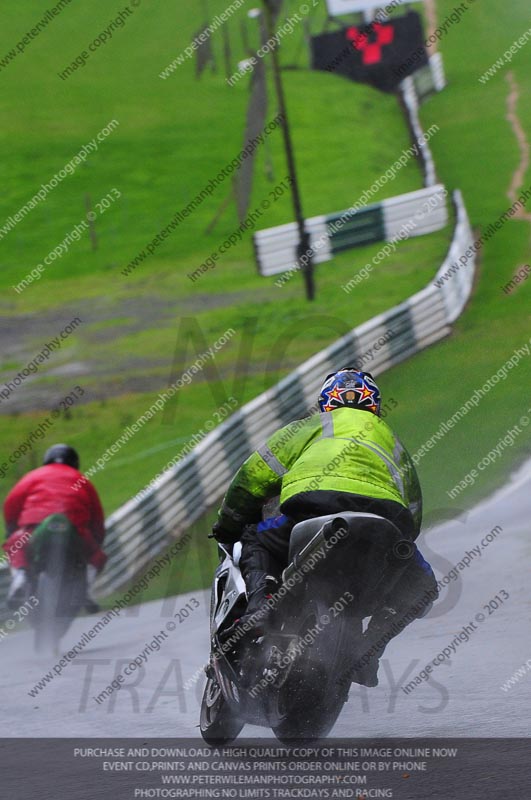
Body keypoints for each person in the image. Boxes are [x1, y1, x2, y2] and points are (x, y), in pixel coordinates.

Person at [211, 368, 438, 686]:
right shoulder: (391, 439)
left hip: (312, 508)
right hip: (384, 525)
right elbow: (413, 507)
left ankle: (259, 610)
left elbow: (254, 475)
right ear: (374, 406)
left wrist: (229, 523)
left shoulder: (310, 427)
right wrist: (401, 544)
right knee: (423, 586)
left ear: (324, 404)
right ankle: (370, 649)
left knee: (255, 538)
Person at [3, 444, 106, 612]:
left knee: (16, 545)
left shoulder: (32, 476)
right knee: (98, 556)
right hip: (75, 529)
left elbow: (11, 504)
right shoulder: (82, 479)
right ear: (74, 462)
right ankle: (84, 590)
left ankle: (20, 579)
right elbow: (97, 517)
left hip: (34, 527)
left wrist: (12, 528)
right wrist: (96, 542)